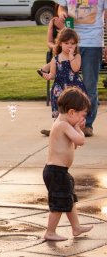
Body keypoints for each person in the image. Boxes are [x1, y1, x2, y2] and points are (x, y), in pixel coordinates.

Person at [43, 87, 93, 241]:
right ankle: (50, 232)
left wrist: (76, 127)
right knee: (59, 202)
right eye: (81, 115)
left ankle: (76, 227)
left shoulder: (63, 123)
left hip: (59, 171)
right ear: (72, 112)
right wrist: (78, 128)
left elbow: (74, 145)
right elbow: (81, 141)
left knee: (69, 199)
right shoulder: (63, 125)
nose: (82, 119)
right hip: (56, 172)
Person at [58, 0, 107, 137]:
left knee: (89, 86)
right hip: (71, 42)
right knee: (65, 84)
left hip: (93, 42)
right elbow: (61, 7)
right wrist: (62, 14)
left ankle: (87, 124)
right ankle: (64, 124)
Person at [41, 28, 88, 136]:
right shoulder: (55, 59)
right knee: (60, 108)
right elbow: (53, 74)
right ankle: (56, 127)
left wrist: (71, 57)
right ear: (60, 44)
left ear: (76, 45)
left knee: (73, 108)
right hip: (60, 87)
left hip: (73, 87)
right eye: (66, 43)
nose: (70, 46)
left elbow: (75, 69)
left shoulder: (77, 56)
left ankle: (74, 129)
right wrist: (49, 76)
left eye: (73, 43)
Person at [37, 3, 65, 76]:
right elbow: (49, 42)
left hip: (73, 52)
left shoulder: (75, 22)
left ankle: (47, 68)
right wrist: (54, 46)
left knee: (66, 47)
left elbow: (73, 38)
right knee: (60, 48)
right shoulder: (53, 21)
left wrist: (63, 28)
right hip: (57, 50)